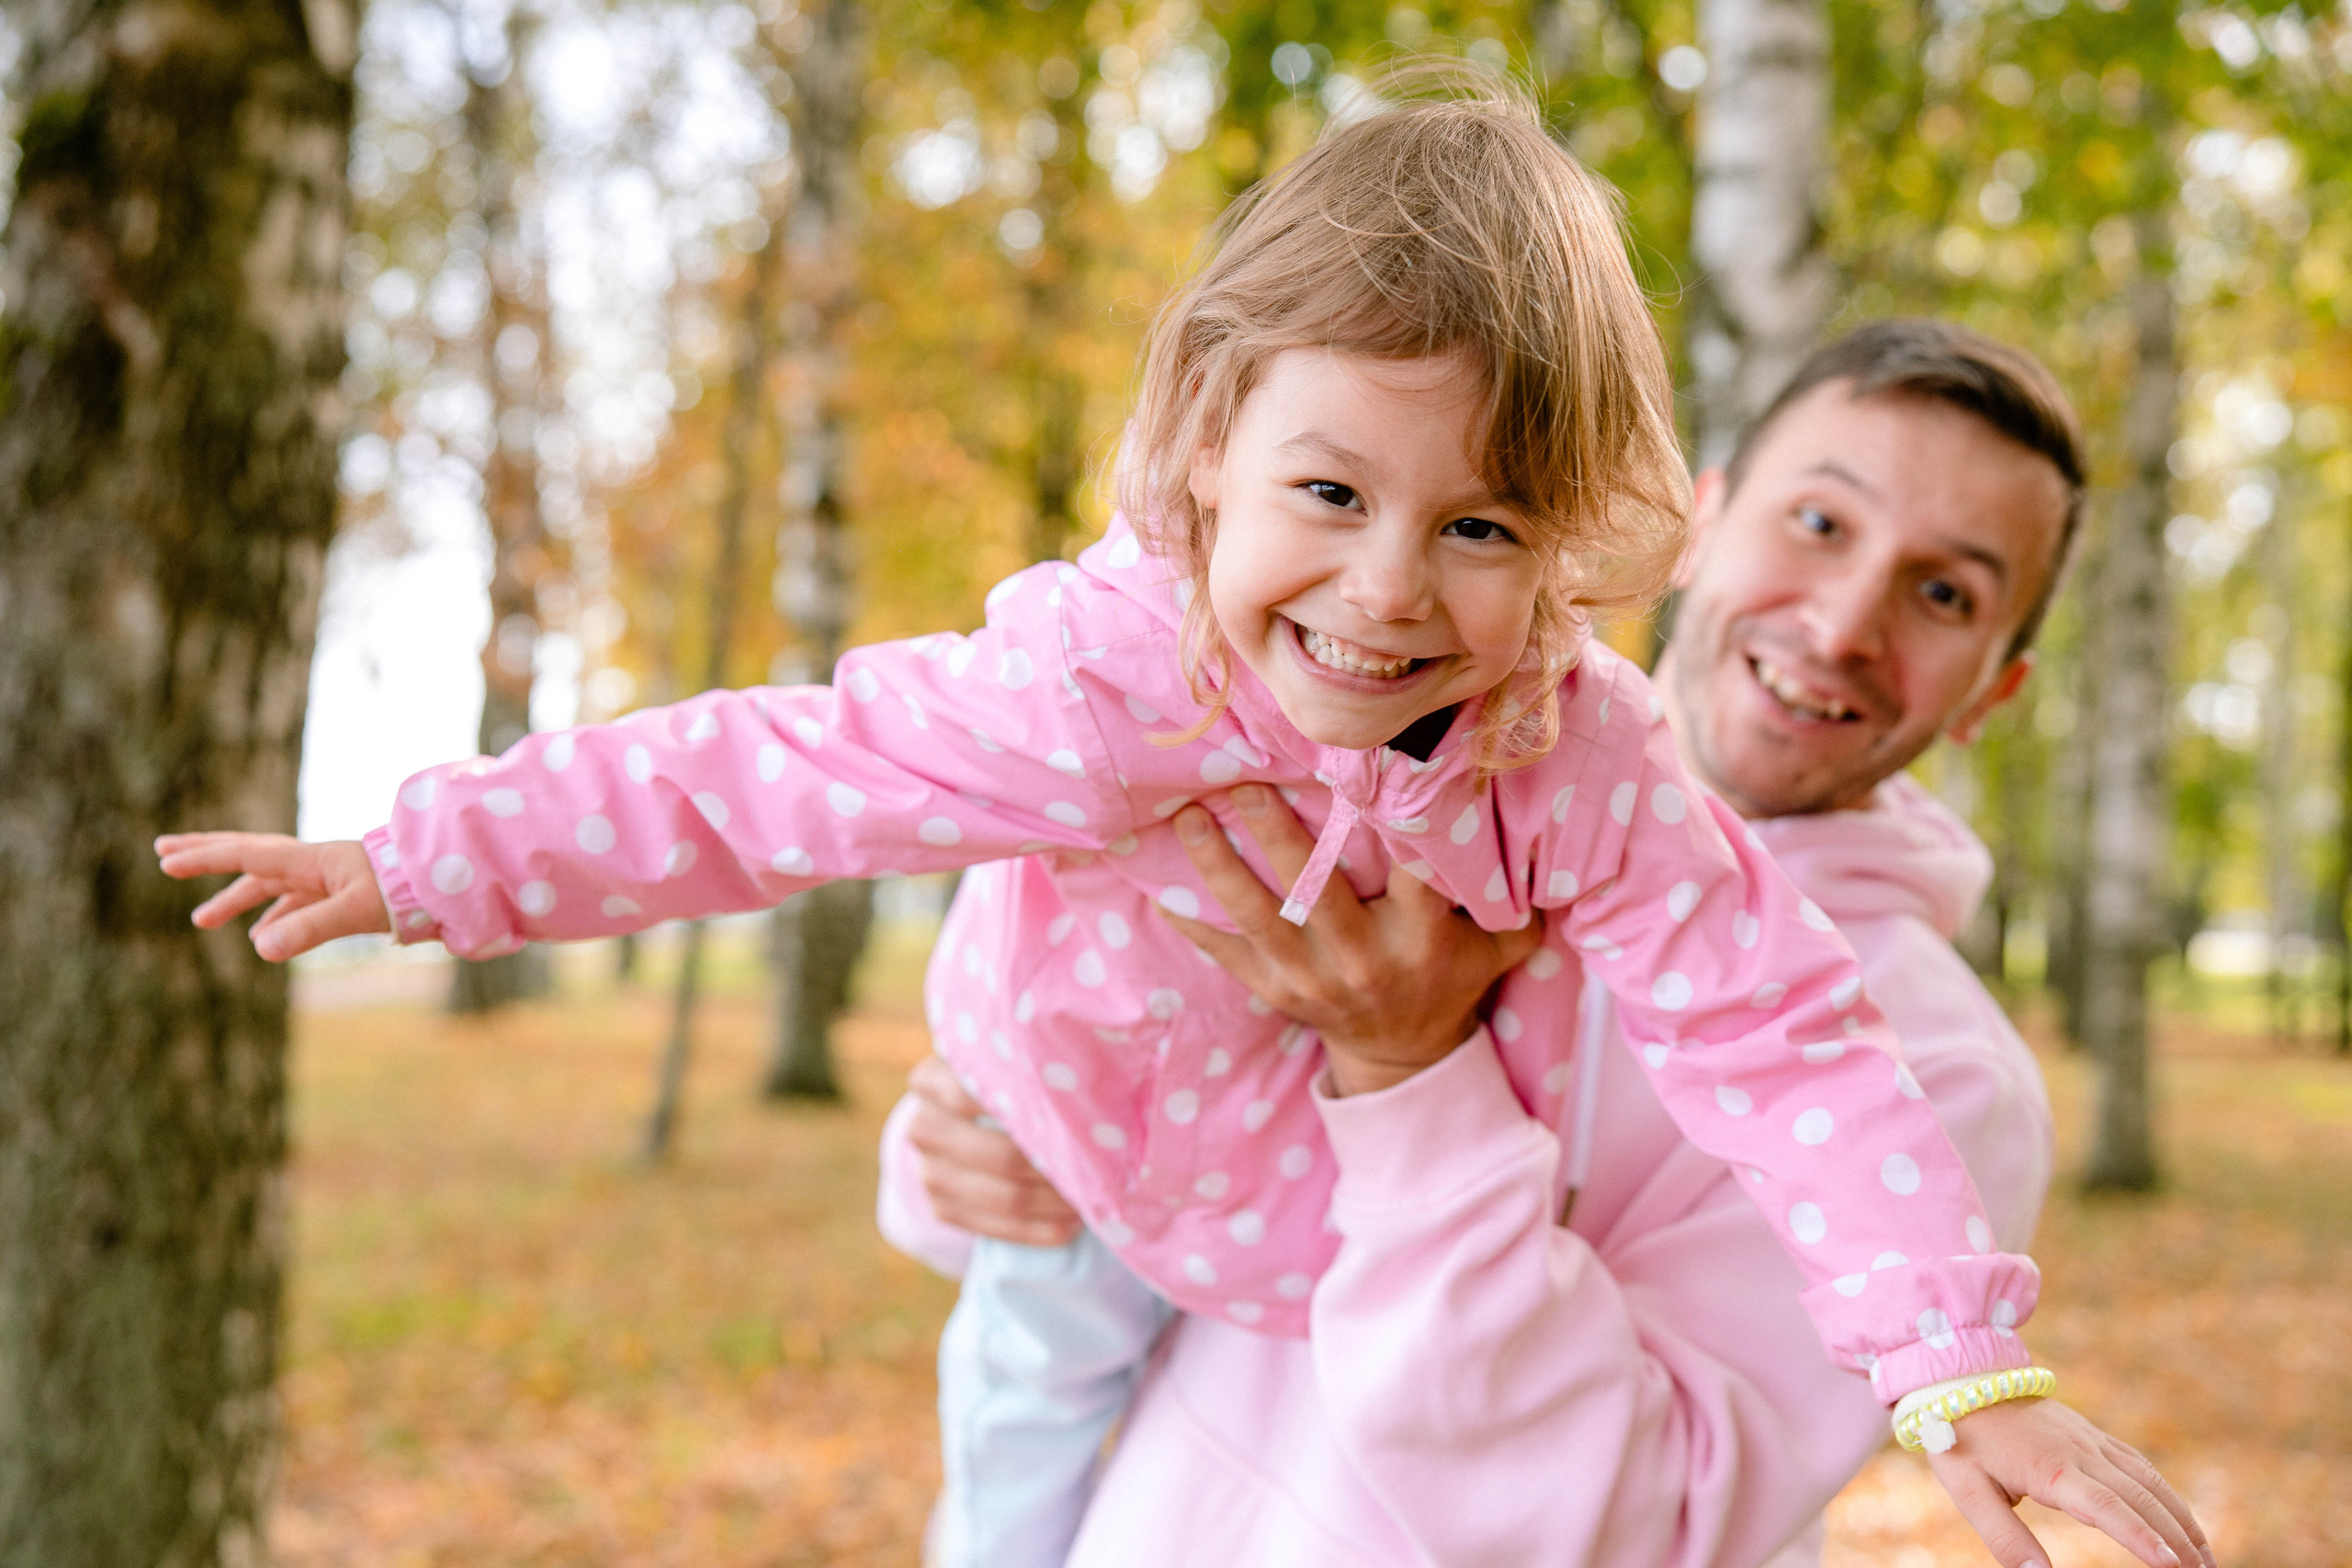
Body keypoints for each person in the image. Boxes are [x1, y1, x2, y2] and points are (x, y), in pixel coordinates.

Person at [154, 87, 2201, 1568]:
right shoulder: (1100, 675)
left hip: (1302, 1290)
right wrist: (430, 857)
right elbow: (771, 775)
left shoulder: (1585, 775)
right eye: (1330, 495)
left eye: (1476, 528)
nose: (1389, 589)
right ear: (1211, 449)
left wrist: (1955, 1361)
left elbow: (1779, 1040)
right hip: (1072, 1208)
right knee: (1004, 1481)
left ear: (1571, 541)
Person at [887, 321, 2213, 1568]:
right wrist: (979, 1132)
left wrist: (1408, 1070)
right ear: (1697, 520)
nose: (1844, 621)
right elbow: (1144, 1122)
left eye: (1943, 593)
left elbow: (1628, 1526)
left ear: (1996, 689)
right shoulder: (1413, 760)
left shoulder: (1935, 1085)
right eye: (1818, 523)